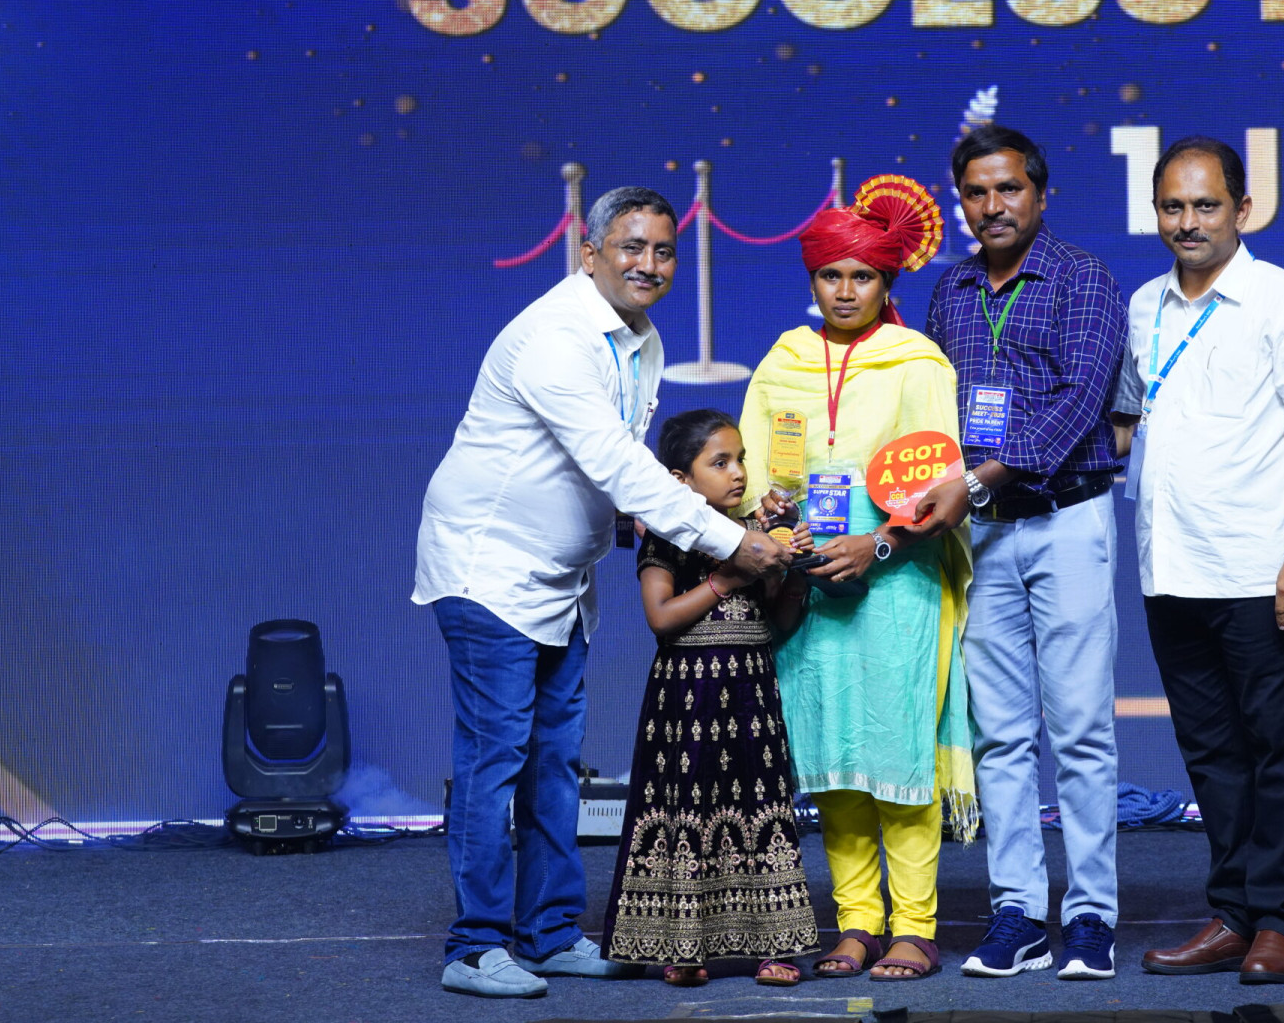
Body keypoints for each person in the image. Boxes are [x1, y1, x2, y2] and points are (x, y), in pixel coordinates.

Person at [410, 187, 787, 999]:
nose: (648, 264)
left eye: (663, 251)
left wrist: (664, 519)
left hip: (561, 577)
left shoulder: (640, 339)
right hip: (489, 570)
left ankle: (548, 934)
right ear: (590, 254)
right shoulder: (556, 336)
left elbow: (612, 469)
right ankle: (474, 947)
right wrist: (731, 541)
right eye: (630, 247)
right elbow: (615, 462)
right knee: (495, 762)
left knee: (554, 763)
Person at [1111, 137, 1284, 987]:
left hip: (1258, 569)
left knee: (1276, 747)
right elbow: (1126, 427)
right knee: (1210, 752)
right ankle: (1234, 912)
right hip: (1169, 567)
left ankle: (1279, 922)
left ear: (1242, 210)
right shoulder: (1143, 305)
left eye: (1206, 205)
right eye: (1173, 206)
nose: (1189, 222)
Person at [737, 180, 974, 983]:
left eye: (862, 276)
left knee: (897, 754)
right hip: (807, 581)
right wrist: (770, 514)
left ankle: (916, 926)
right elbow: (753, 472)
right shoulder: (782, 363)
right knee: (834, 754)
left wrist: (878, 544)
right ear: (812, 280)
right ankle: (858, 923)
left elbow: (939, 485)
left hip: (897, 580)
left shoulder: (917, 361)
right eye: (831, 275)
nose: (845, 291)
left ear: (886, 281)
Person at [912, 125, 1129, 981]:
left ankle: (1091, 914)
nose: (993, 206)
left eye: (1008, 189)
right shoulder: (951, 289)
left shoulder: (1083, 277)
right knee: (1000, 737)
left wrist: (979, 476)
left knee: (1080, 733)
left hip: (1065, 520)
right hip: (981, 533)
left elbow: (1081, 402)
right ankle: (1019, 913)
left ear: (1040, 193)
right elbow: (935, 411)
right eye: (976, 192)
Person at [600, 409, 820, 987]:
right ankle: (683, 946)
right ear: (680, 480)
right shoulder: (668, 537)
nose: (738, 473)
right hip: (687, 702)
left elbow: (778, 625)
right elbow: (660, 618)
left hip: (751, 698)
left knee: (759, 811)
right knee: (687, 815)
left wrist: (795, 571)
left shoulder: (755, 535)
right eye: (719, 462)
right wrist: (726, 579)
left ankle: (774, 944)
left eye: (740, 459)